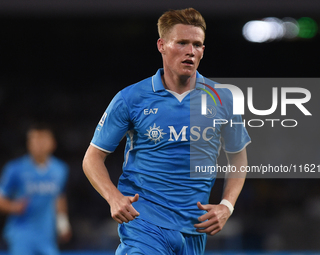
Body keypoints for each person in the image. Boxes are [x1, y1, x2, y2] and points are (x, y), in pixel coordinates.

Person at [83, 7, 250, 255]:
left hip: (194, 229)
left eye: (197, 44)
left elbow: (238, 157)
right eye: (182, 43)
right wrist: (114, 197)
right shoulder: (131, 98)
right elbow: (92, 158)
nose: (190, 51)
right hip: (144, 224)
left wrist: (227, 205)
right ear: (161, 45)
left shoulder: (221, 98)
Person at [0, 123, 72, 255]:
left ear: (52, 143)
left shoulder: (60, 169)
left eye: (43, 139)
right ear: (28, 144)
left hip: (47, 236)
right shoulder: (15, 169)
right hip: (21, 233)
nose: (39, 144)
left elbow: (59, 196)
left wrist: (63, 223)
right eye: (34, 140)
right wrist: (13, 207)